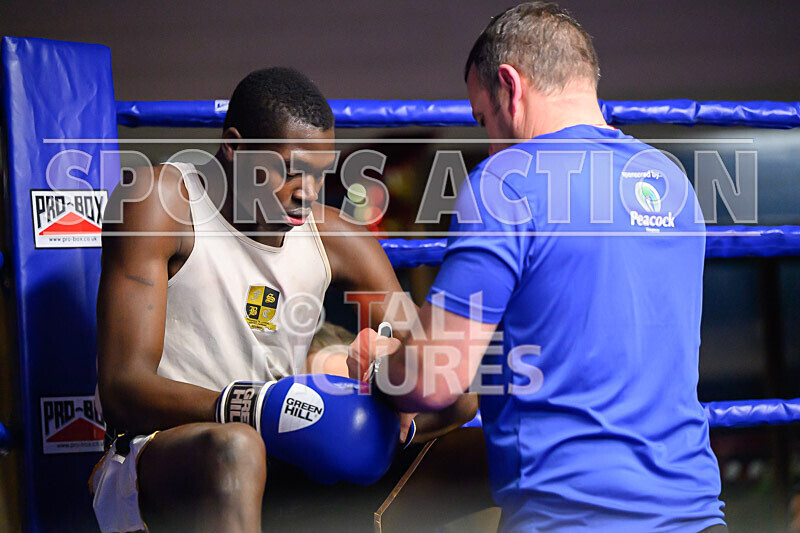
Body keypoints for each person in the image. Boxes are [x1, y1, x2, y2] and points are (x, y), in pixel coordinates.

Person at [349, 3, 727, 531]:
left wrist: (378, 364)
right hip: (698, 514)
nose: (489, 140)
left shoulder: (505, 180)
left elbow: (436, 381)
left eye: (484, 118)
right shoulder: (671, 182)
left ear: (510, 85)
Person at [90, 67, 473, 533]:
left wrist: (390, 387)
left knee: (462, 403)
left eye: (319, 175)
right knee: (238, 446)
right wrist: (256, 408)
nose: (306, 193)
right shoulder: (159, 202)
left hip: (284, 450)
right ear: (234, 147)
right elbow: (122, 388)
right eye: (291, 171)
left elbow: (444, 378)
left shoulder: (337, 237)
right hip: (161, 456)